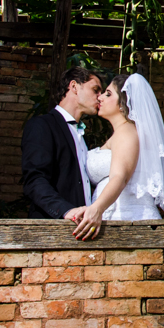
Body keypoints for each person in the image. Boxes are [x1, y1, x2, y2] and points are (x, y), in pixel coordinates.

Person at [72, 73, 164, 240]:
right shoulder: (122, 133)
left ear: (122, 104)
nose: (101, 98)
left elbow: (120, 177)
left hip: (129, 219)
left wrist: (96, 209)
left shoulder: (126, 132)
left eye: (108, 93)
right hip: (116, 218)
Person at [20, 66, 103, 225]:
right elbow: (34, 180)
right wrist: (66, 210)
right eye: (95, 90)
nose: (99, 97)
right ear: (74, 87)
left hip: (82, 229)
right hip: (52, 228)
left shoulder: (80, 133)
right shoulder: (42, 125)